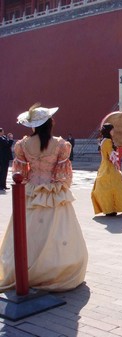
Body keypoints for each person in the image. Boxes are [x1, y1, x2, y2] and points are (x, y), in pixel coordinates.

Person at [0, 104, 88, 292]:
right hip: (53, 192)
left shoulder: (22, 145)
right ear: (50, 123)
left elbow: (20, 173)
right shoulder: (61, 145)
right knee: (57, 230)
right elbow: (63, 175)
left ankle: (25, 269)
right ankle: (53, 268)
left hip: (31, 191)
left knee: (26, 230)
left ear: (34, 125)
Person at [91, 123, 122, 216]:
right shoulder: (108, 141)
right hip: (109, 168)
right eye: (112, 130)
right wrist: (116, 162)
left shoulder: (103, 141)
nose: (113, 131)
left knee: (106, 189)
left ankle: (109, 209)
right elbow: (111, 156)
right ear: (109, 131)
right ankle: (113, 207)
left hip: (103, 167)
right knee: (121, 187)